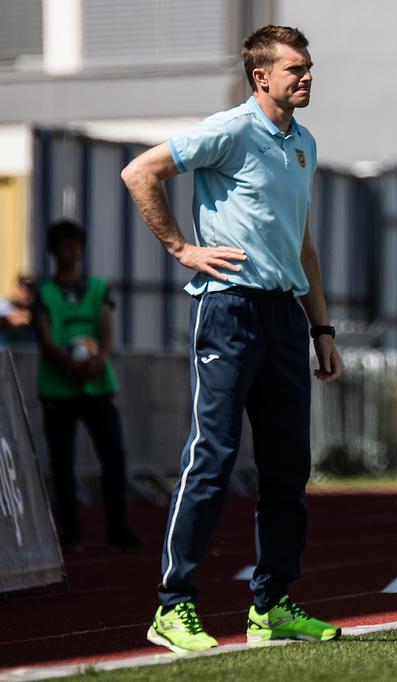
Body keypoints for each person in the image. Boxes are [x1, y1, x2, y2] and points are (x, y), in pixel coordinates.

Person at [121, 25, 341, 653]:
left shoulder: (304, 144)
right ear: (261, 77)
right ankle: (173, 605)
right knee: (212, 458)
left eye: (308, 66)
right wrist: (180, 248)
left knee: (287, 469)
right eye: (294, 69)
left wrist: (319, 325)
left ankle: (272, 605)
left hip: (283, 320)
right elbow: (141, 173)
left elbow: (301, 242)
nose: (306, 77)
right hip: (228, 311)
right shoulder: (231, 129)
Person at [32, 220, 141, 553]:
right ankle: (70, 532)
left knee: (114, 457)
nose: (73, 251)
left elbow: (107, 330)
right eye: (66, 245)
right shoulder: (45, 293)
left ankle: (118, 530)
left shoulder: (97, 287)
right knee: (62, 464)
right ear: (54, 251)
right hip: (58, 389)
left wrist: (97, 361)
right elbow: (44, 336)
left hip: (96, 386)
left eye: (77, 245)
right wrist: (69, 364)